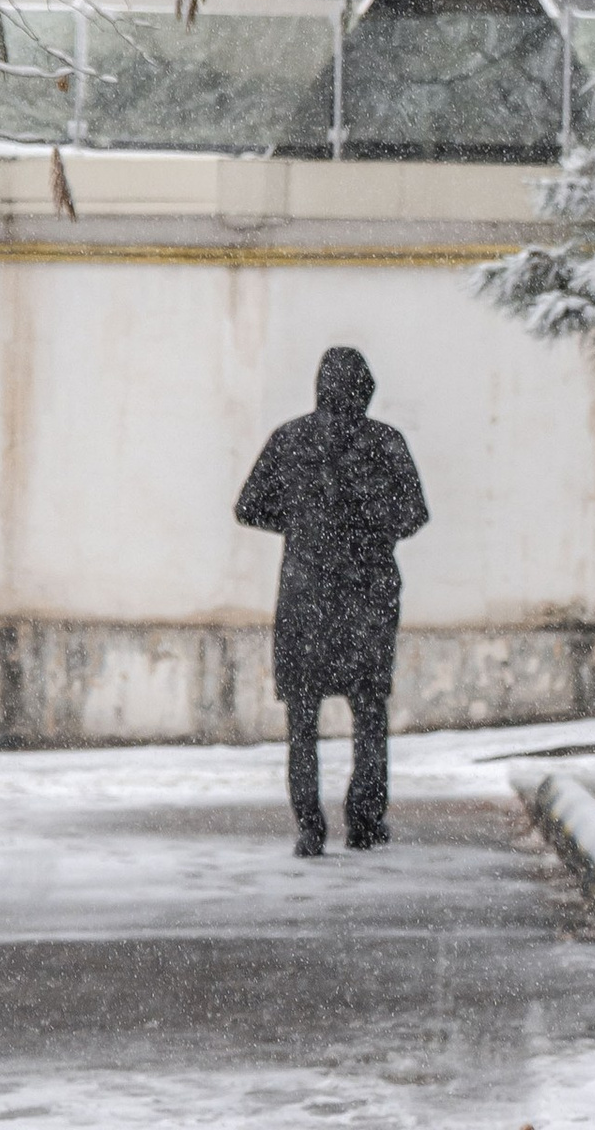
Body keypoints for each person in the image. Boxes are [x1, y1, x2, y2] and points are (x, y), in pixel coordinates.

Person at [235, 347, 429, 858]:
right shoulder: (385, 442)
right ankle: (365, 818)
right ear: (366, 387)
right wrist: (369, 532)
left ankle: (309, 825)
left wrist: (304, 525)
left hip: (306, 595)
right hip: (367, 595)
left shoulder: (290, 438)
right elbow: (414, 513)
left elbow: (250, 507)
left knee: (302, 716)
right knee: (368, 709)